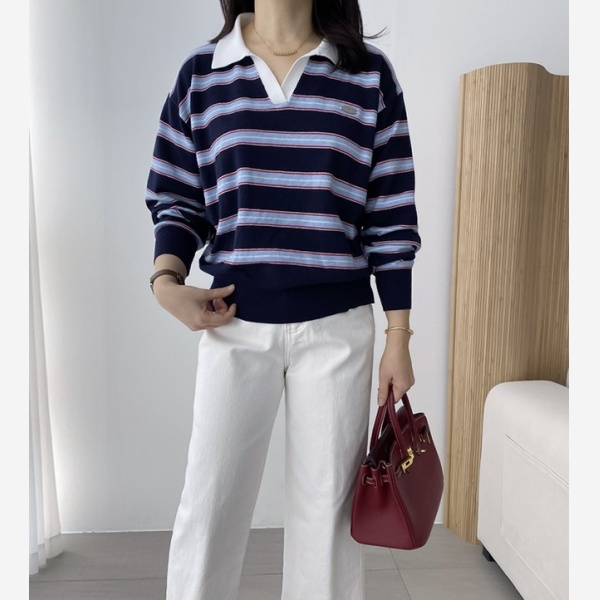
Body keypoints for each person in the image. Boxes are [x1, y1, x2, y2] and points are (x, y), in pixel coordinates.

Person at [145, 1, 420, 598]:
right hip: (233, 325)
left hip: (338, 330)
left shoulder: (368, 73)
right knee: (209, 507)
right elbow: (177, 196)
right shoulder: (202, 73)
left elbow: (391, 216)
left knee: (328, 521)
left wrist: (398, 338)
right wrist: (167, 283)